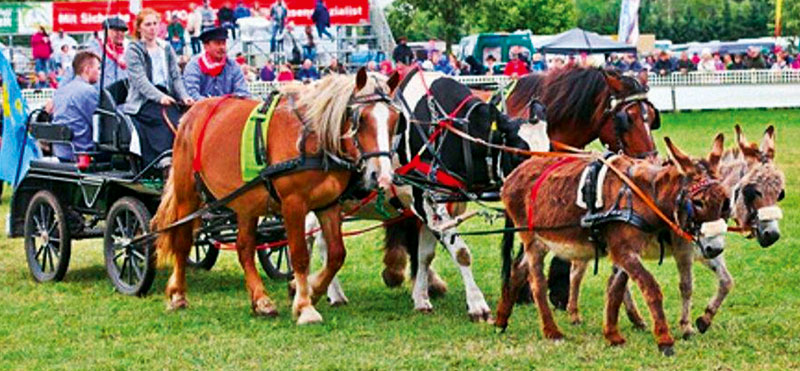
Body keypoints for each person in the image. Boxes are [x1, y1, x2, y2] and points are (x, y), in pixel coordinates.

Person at [123, 8, 194, 166]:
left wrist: (183, 96)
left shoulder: (166, 47)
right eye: (148, 24)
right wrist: (159, 97)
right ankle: (163, 158)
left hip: (168, 97)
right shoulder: (134, 50)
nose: (152, 28)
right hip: (145, 101)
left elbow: (176, 76)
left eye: (155, 23)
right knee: (163, 120)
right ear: (140, 27)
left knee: (185, 119)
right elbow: (140, 81)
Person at [51, 52, 102, 162]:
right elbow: (100, 123)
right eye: (97, 69)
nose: (99, 73)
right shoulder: (88, 91)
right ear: (87, 69)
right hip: (81, 151)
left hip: (61, 150)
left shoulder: (61, 91)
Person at [183, 27, 250, 100]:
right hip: (201, 109)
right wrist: (214, 104)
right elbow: (192, 94)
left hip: (229, 108)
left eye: (223, 43)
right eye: (217, 43)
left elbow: (243, 92)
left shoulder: (233, 65)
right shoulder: (194, 66)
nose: (222, 47)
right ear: (206, 46)